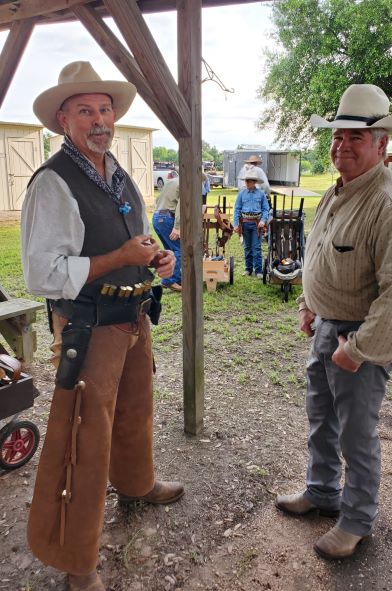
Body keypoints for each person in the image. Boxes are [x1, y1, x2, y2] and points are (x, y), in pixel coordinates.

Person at [21, 61, 184, 591]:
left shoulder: (117, 173)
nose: (99, 120)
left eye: (105, 109)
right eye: (85, 110)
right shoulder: (53, 183)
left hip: (132, 317)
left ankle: (137, 484)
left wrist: (155, 257)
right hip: (89, 326)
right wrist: (119, 258)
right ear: (63, 120)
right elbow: (43, 274)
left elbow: (137, 239)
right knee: (85, 441)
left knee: (136, 412)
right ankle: (78, 562)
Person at [275, 84, 392, 560]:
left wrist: (358, 350)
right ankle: (322, 491)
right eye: (337, 136)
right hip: (326, 327)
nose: (342, 146)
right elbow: (319, 253)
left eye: (355, 138)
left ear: (382, 145)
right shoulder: (336, 192)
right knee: (321, 419)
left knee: (356, 433)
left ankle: (357, 520)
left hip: (358, 339)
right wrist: (308, 302)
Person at [233, 172, 270, 278]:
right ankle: (248, 269)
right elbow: (237, 209)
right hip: (244, 223)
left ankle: (258, 271)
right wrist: (235, 224)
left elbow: (266, 209)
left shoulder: (261, 194)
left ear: (254, 182)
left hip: (257, 224)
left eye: (248, 181)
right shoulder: (241, 194)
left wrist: (263, 220)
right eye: (246, 181)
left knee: (256, 247)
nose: (246, 183)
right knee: (247, 247)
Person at [152, 176, 182, 292]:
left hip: (157, 216)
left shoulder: (172, 181)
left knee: (169, 250)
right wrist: (177, 227)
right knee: (179, 250)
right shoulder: (186, 184)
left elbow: (157, 199)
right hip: (167, 217)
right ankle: (169, 280)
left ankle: (174, 277)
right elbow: (181, 206)